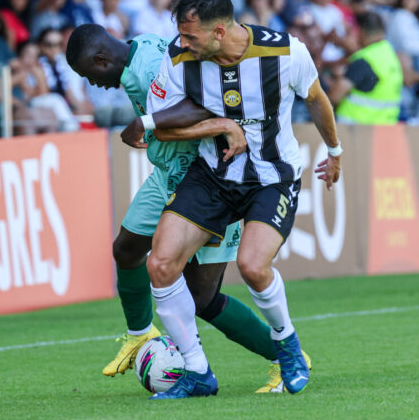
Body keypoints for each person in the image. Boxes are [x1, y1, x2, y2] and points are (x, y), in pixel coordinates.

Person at [122, 0, 339, 398]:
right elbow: (160, 122)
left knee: (253, 266)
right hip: (213, 176)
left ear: (219, 31)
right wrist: (221, 126)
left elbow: (316, 98)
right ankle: (197, 372)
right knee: (161, 263)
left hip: (272, 177)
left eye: (191, 37)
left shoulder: (286, 52)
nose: (182, 44)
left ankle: (287, 345)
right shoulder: (178, 58)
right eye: (180, 36)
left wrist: (335, 151)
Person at [65, 22, 293, 392]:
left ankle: (285, 357)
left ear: (101, 59)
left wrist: (146, 122)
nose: (92, 84)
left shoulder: (150, 66)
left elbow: (201, 108)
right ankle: (140, 334)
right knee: (126, 249)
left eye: (89, 75)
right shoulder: (136, 48)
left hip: (209, 177)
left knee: (202, 297)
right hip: (168, 173)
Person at [330, 11, 403, 124]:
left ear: (361, 32)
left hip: (356, 129)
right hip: (384, 129)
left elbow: (334, 97)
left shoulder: (365, 59)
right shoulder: (390, 54)